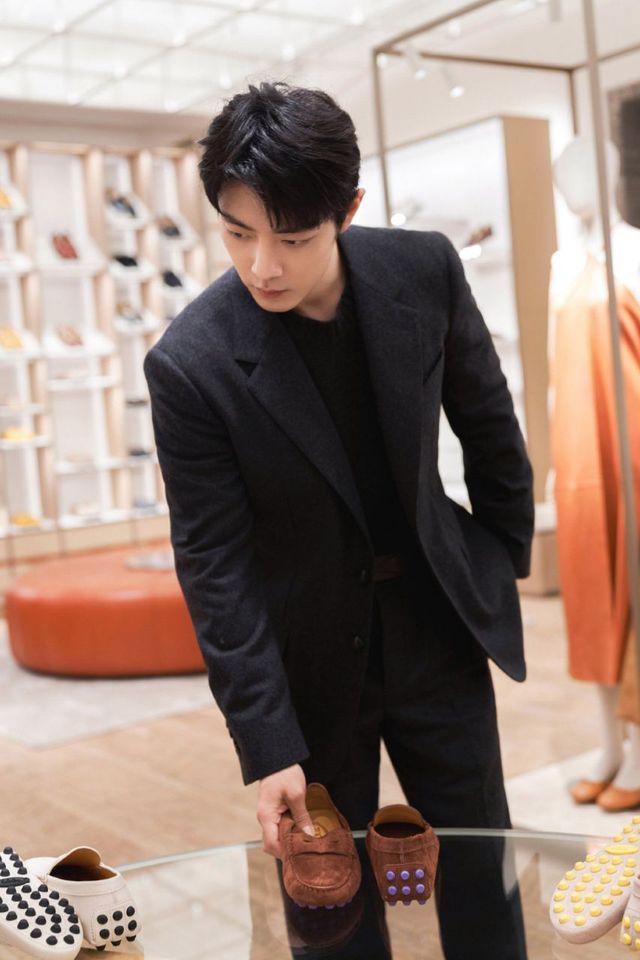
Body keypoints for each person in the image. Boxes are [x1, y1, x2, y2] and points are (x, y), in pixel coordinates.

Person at [143, 81, 533, 956]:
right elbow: (213, 562)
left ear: (347, 211)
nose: (263, 266)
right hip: (308, 657)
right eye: (237, 233)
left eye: (293, 238)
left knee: (482, 869)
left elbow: (487, 418)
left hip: (436, 623)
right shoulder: (190, 363)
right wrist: (266, 740)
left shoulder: (423, 270)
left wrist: (500, 555)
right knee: (330, 906)